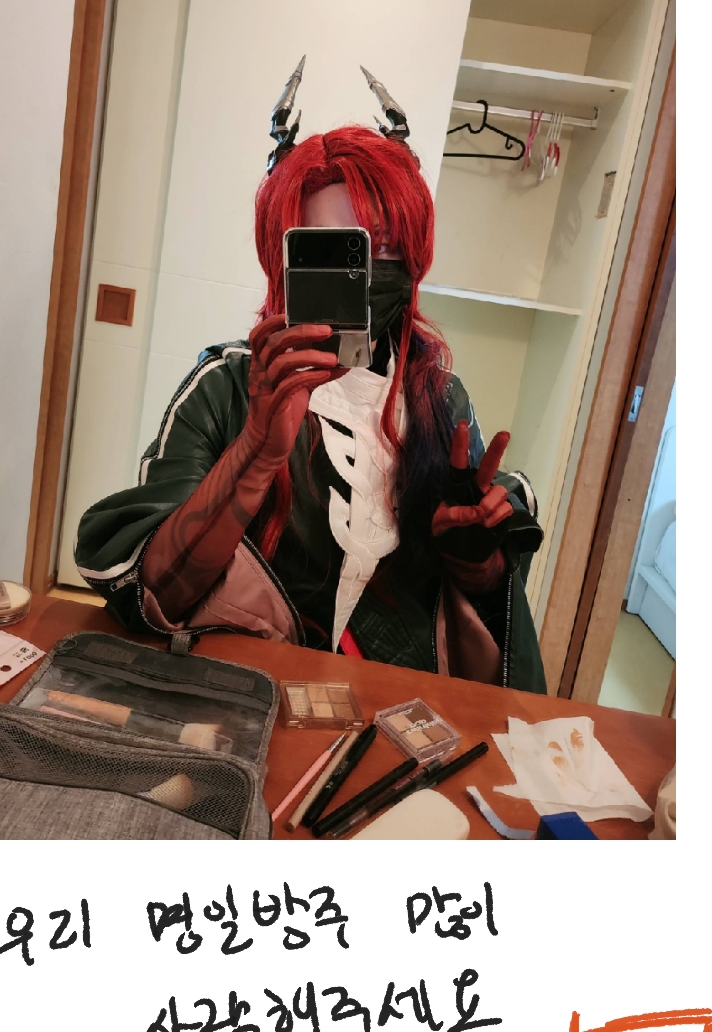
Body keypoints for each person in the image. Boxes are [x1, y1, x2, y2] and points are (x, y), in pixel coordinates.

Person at [75, 63, 546, 691]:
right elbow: (153, 594)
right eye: (333, 251)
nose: (364, 274)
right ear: (287, 260)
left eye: (384, 246)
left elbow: (475, 611)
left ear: (414, 253)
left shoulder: (440, 400)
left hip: (391, 705)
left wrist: (474, 561)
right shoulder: (223, 388)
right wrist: (255, 454)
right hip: (248, 693)